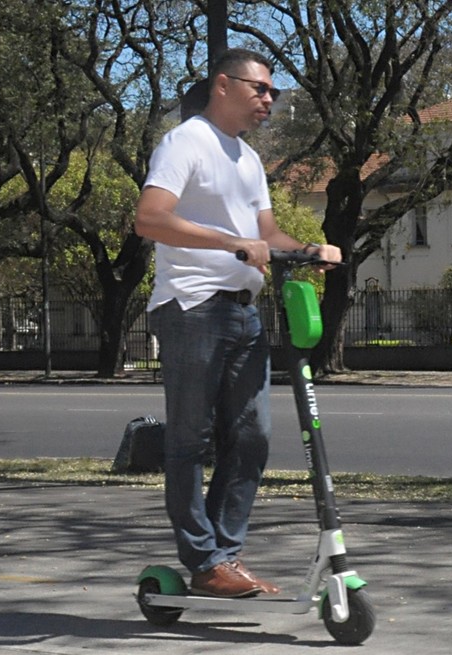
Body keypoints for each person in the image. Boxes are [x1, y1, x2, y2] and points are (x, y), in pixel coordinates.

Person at [135, 48, 341, 598]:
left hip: (243, 311)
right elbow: (150, 218)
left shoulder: (247, 159)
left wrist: (308, 248)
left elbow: (266, 235)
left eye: (272, 90)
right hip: (191, 306)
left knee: (252, 438)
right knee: (189, 440)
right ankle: (204, 562)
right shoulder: (186, 142)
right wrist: (232, 244)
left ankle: (224, 556)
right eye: (260, 88)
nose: (269, 98)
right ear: (223, 86)